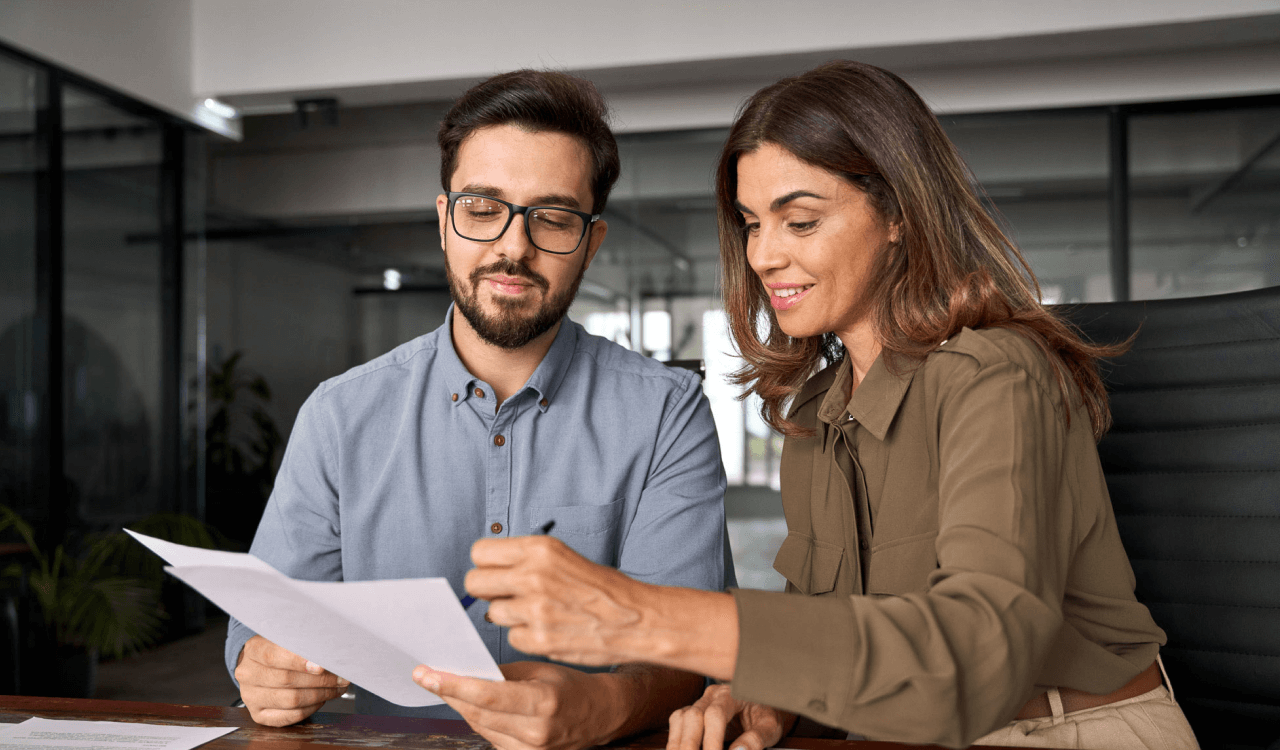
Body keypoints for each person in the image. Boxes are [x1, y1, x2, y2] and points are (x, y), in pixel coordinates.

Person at [437, 61, 1201, 749]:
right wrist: (772, 699)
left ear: (899, 214)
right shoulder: (817, 415)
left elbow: (973, 661)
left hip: (1074, 729)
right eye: (752, 223)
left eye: (800, 220)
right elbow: (839, 626)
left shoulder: (997, 372)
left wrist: (641, 616)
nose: (764, 253)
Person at [226, 69, 732, 750]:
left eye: (552, 218)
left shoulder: (666, 415)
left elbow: (689, 651)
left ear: (592, 242)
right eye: (483, 208)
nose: (513, 247)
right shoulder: (339, 417)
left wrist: (604, 703)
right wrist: (264, 670)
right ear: (444, 221)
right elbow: (264, 632)